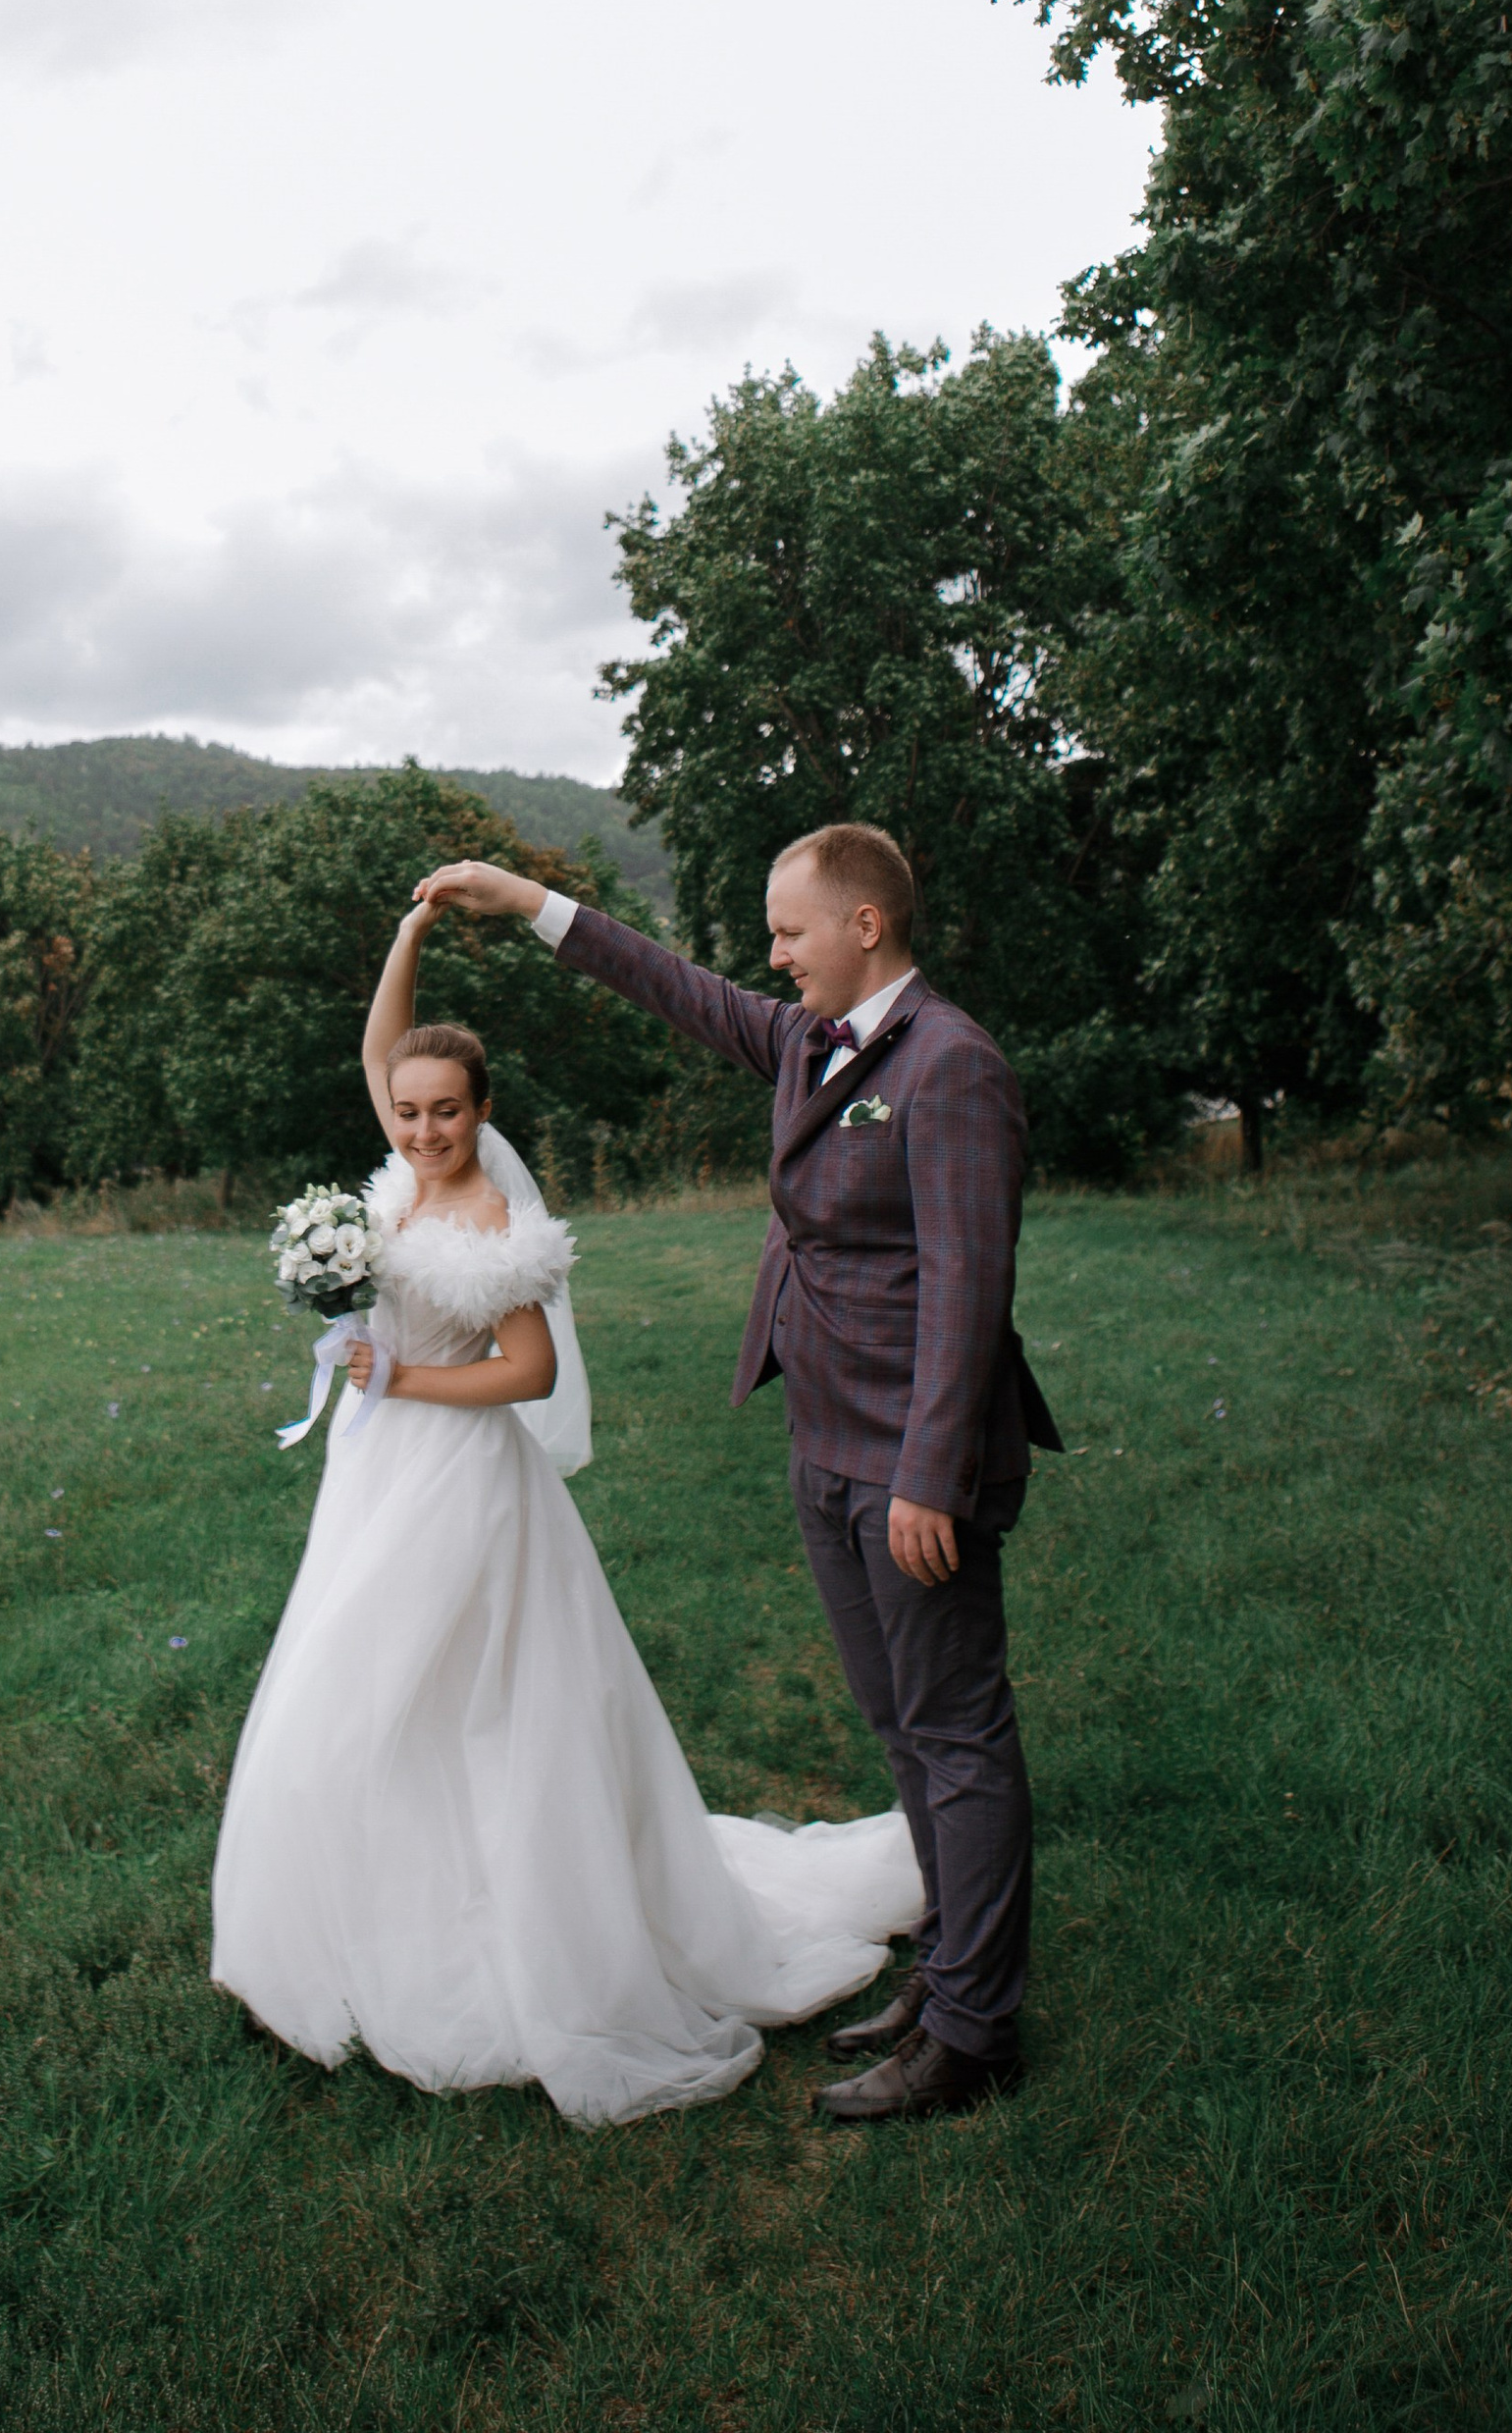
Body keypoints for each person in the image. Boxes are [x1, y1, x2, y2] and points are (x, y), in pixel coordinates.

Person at [208, 892, 925, 2127]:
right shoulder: (394, 1172)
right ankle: (376, 1917)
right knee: (365, 1688)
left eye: (444, 1111)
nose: (422, 1126)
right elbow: (378, 1048)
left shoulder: (496, 1217)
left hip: (461, 1479)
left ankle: (521, 1940)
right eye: (409, 1110)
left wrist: (407, 1376)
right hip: (375, 1473)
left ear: (482, 1116)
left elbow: (528, 1375)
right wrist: (409, 932)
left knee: (466, 1702)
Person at [416, 826, 1059, 2122]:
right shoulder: (808, 1041)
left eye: (790, 930)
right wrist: (525, 901)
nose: (771, 954)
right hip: (822, 1438)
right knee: (898, 1725)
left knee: (956, 1730)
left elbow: (970, 1290)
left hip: (910, 1466)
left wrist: (930, 1477)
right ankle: (948, 1974)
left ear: (865, 926)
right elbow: (672, 984)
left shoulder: (951, 1067)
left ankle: (980, 2030)